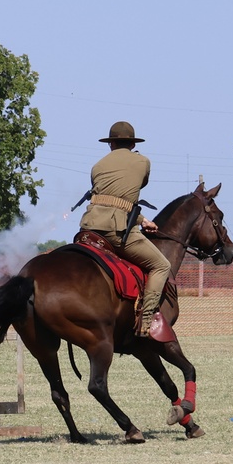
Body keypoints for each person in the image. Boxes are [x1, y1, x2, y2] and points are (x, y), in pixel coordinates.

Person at [79, 121, 170, 337]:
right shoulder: (142, 162)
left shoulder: (97, 166)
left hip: (88, 226)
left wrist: (142, 219)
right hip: (115, 231)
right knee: (161, 266)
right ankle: (145, 321)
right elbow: (133, 190)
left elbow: (109, 201)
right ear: (131, 143)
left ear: (110, 144)